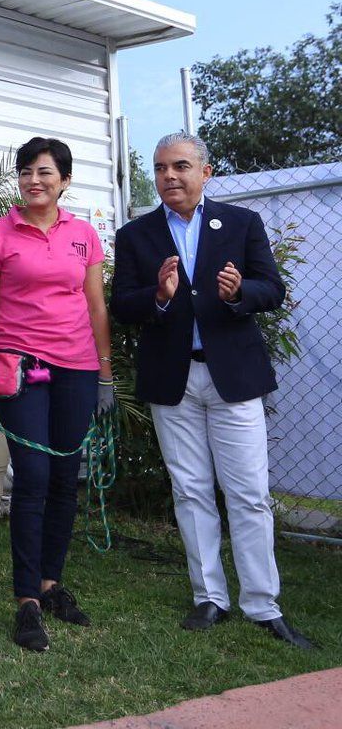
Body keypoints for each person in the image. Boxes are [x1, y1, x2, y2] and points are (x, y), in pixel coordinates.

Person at [110, 131, 313, 649]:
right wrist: (157, 295)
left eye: (179, 166)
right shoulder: (136, 235)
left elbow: (273, 287)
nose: (169, 177)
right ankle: (210, 597)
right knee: (191, 490)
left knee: (248, 494)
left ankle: (262, 604)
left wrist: (241, 290)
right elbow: (122, 306)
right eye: (159, 169)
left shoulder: (241, 224)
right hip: (171, 380)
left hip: (232, 378)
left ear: (205, 172)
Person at [0, 137, 113, 652]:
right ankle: (26, 600)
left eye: (45, 172)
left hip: (77, 367)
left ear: (65, 181)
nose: (34, 180)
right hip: (19, 366)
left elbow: (96, 306)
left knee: (64, 477)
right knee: (32, 475)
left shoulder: (84, 236)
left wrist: (106, 376)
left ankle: (52, 583)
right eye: (26, 171)